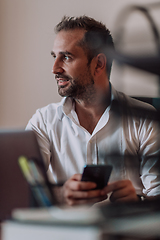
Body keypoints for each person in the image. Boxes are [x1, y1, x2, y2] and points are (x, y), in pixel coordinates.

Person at [26, 15, 160, 206]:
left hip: (126, 233)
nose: (54, 68)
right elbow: (22, 189)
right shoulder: (43, 121)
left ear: (99, 64)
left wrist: (138, 202)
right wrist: (62, 194)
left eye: (66, 57)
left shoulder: (145, 119)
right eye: (55, 57)